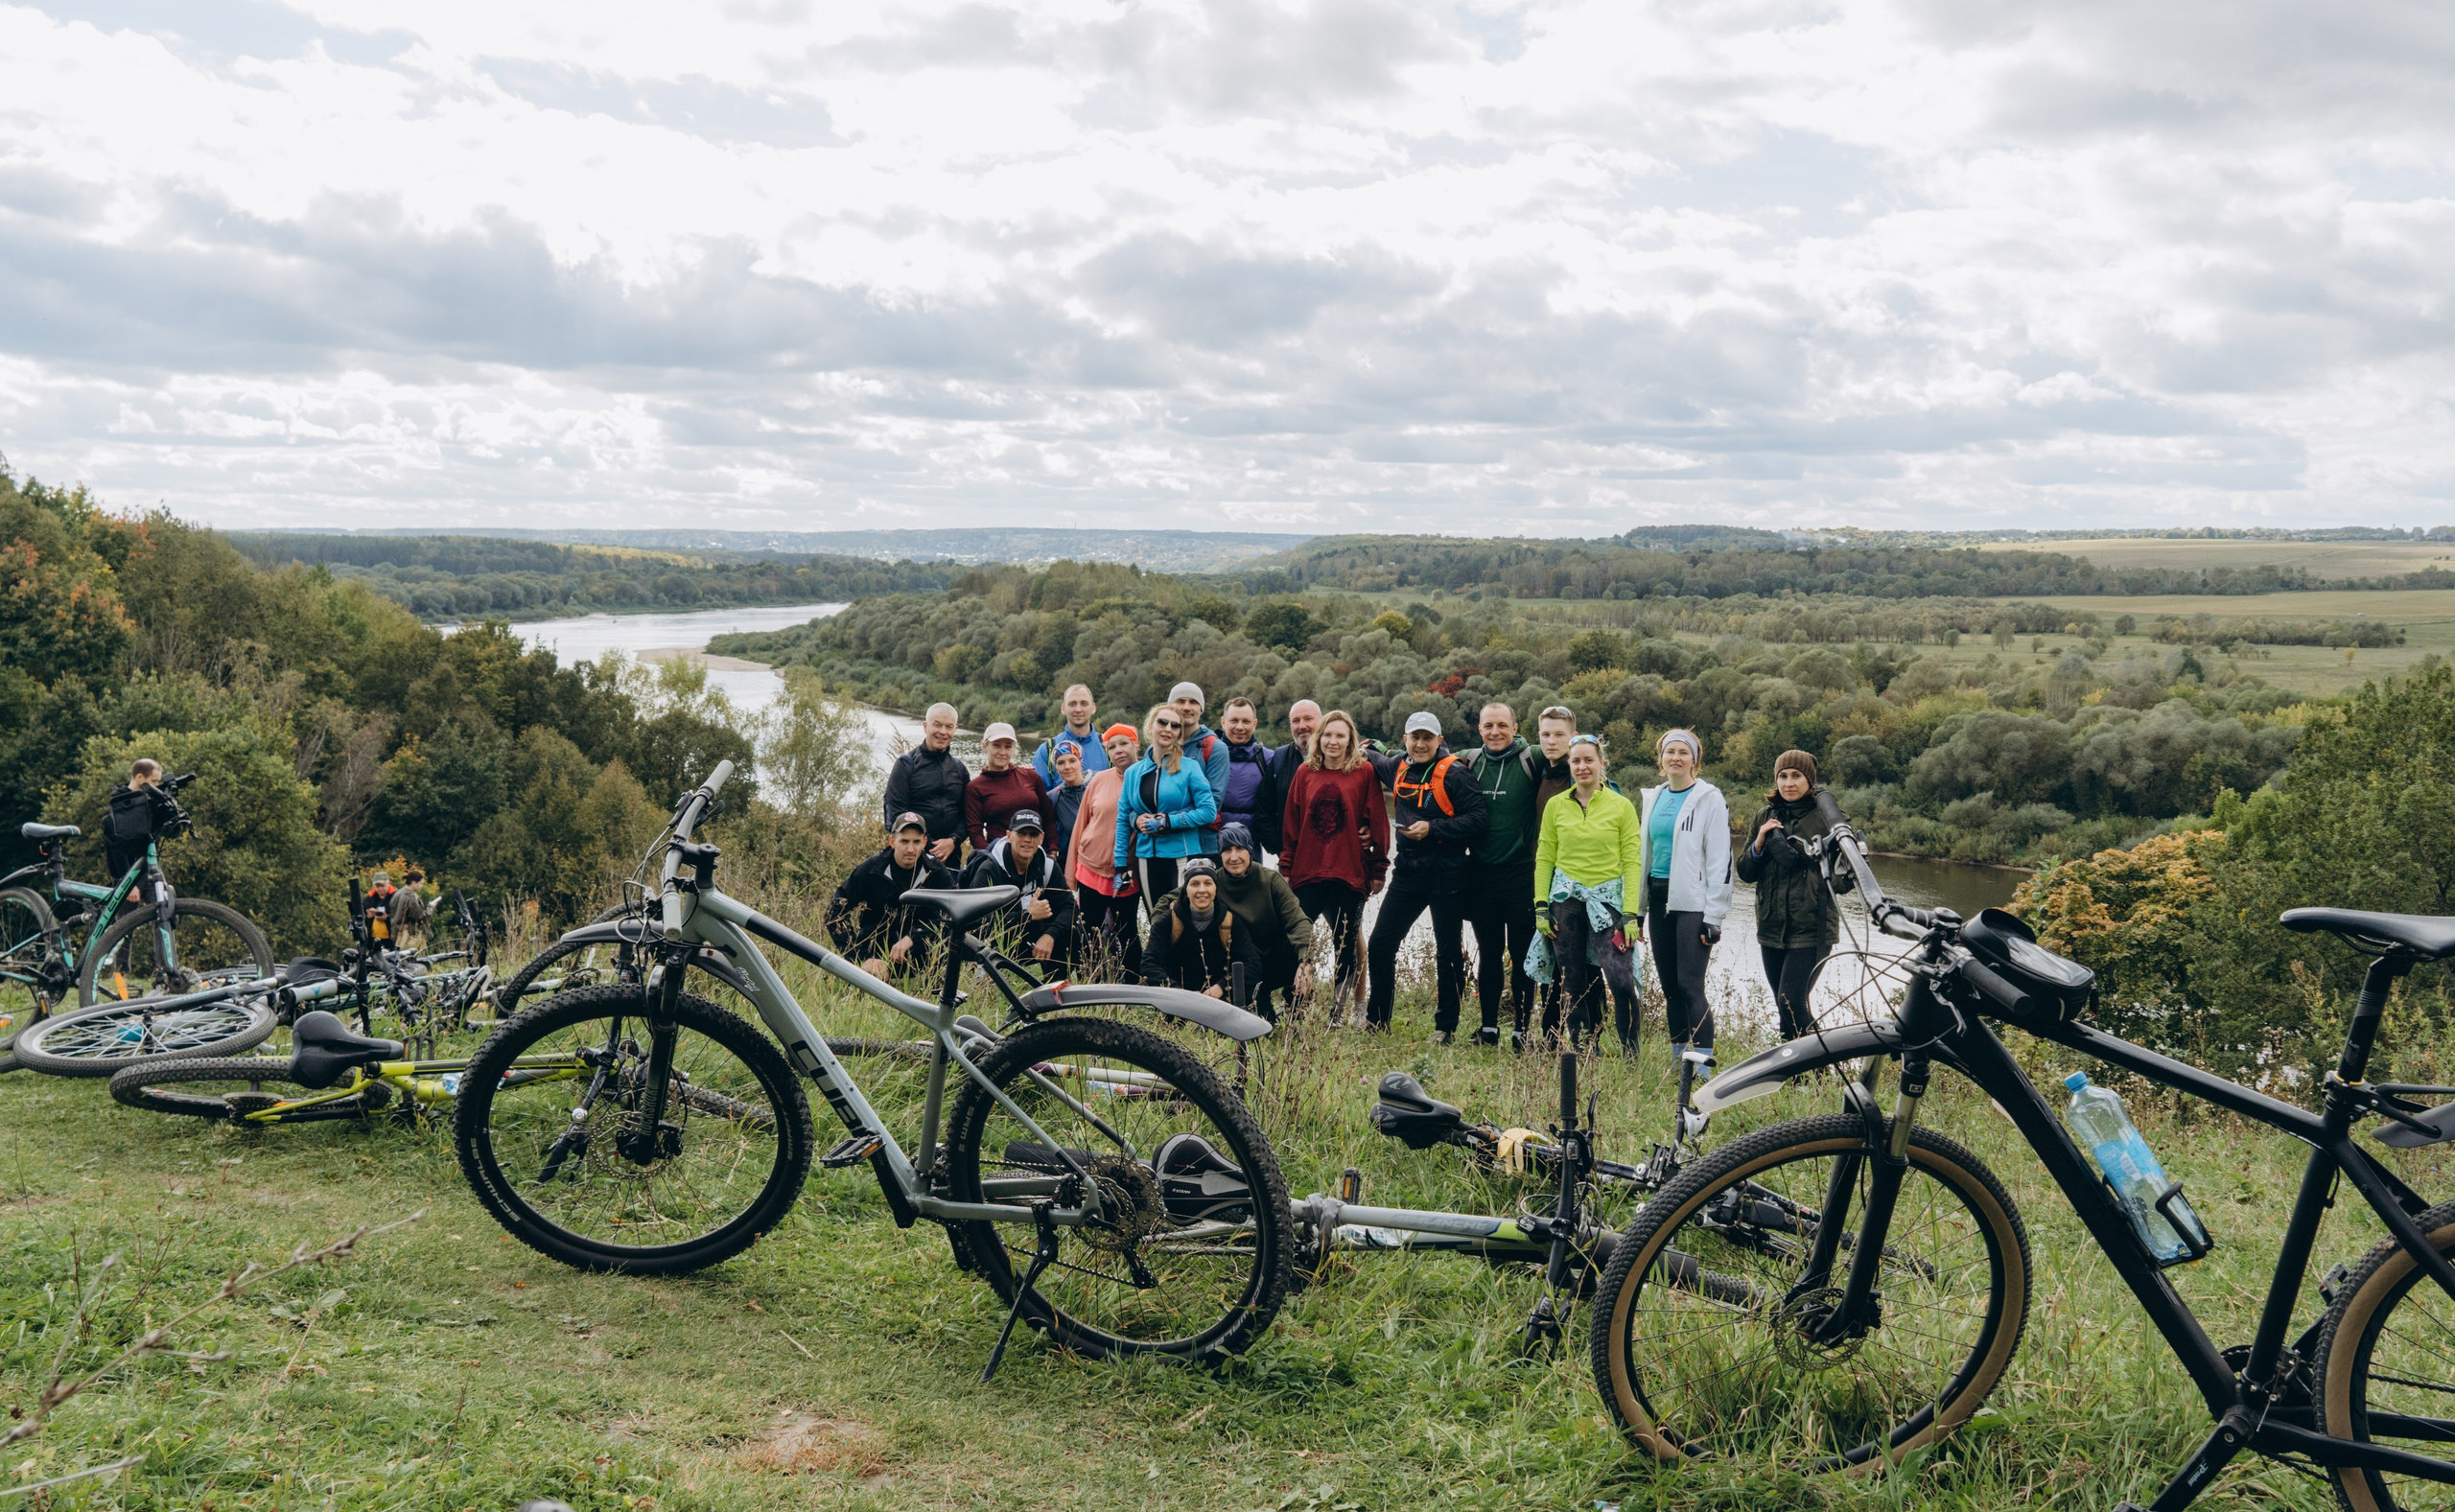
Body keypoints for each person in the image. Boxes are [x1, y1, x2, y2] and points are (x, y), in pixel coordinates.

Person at [1366, 712, 1487, 1040]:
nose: (1420, 745)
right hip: (1407, 872)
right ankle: (1377, 1021)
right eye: (1414, 738)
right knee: (1380, 945)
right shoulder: (1398, 766)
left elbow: (1478, 819)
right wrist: (1363, 747)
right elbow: (1375, 758)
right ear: (1405, 739)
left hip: (1448, 872)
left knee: (1447, 951)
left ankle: (1445, 1027)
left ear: (1439, 739)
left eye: (1427, 738)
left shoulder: (1456, 773)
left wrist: (1433, 828)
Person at [1531, 734, 1644, 1048]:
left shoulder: (1621, 806)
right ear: (1570, 764)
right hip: (1565, 901)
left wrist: (1631, 914)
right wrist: (1541, 906)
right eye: (1576, 761)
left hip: (1607, 902)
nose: (1582, 767)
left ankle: (1631, 1056)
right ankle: (1582, 1049)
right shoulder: (1556, 806)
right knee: (1572, 980)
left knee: (1621, 982)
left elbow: (1633, 862)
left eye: (1588, 760)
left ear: (1601, 763)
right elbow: (1545, 857)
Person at [1276, 709, 1387, 1016]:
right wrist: (1286, 867)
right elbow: (1292, 823)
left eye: (1340, 735)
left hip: (1348, 873)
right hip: (1307, 873)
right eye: (1327, 735)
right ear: (1318, 738)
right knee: (1294, 940)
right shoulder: (1305, 773)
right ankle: (1293, 1003)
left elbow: (1378, 821)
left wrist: (1378, 867)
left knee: (1346, 946)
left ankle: (1338, 1014)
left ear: (1351, 740)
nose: (1333, 741)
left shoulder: (1363, 773)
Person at [1737, 750, 1850, 1039]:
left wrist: (1822, 869)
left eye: (1796, 776)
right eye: (1783, 776)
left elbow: (1849, 878)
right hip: (1771, 926)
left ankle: (1819, 1070)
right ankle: (1797, 1078)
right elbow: (1746, 873)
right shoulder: (1765, 815)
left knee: (1790, 1003)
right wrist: (1759, 844)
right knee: (1782, 1005)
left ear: (1809, 780)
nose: (1789, 783)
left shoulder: (1829, 817)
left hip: (1812, 928)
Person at [1638, 728, 1731, 1058]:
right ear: (1661, 759)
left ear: (1695, 759)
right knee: (1670, 990)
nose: (1675, 758)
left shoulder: (1709, 798)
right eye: (1669, 752)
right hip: (1658, 897)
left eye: (1683, 752)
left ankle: (1703, 1065)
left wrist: (1714, 917)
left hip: (1692, 904)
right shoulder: (1655, 797)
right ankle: (1679, 1062)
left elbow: (1721, 859)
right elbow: (1643, 855)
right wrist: (1638, 910)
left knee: (1691, 987)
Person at [1463, 702, 1546, 1048]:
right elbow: (1422, 752)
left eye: (1501, 725)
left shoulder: (1532, 759)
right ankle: (1489, 1029)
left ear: (1515, 727)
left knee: (1523, 953)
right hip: (1481, 875)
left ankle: (1521, 1031)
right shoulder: (1468, 760)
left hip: (1521, 874)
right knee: (1489, 951)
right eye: (1487, 726)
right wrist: (1379, 750)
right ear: (1479, 729)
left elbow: (1572, 750)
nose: (1494, 732)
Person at [1114, 703, 1219, 930]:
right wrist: (1120, 866)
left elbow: (1209, 811)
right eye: (1162, 722)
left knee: (1187, 924)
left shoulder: (1190, 768)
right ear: (1151, 726)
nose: (1168, 729)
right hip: (1146, 860)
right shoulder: (1133, 772)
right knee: (1158, 923)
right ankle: (1161, 967)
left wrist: (1170, 821)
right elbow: (1123, 818)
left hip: (1182, 857)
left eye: (1175, 726)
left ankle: (1190, 967)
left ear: (1179, 733)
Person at [828, 812, 960, 980]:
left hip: (921, 953)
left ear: (924, 842)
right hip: (876, 953)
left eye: (916, 842)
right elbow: (834, 913)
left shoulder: (935, 871)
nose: (911, 849)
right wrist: (859, 959)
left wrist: (914, 936)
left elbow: (955, 914)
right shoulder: (872, 869)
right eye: (904, 841)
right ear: (892, 841)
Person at [1214, 823, 1314, 1022]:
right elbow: (1172, 899)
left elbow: (1299, 922)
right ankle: (1260, 1006)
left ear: (1250, 850)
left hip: (1276, 957)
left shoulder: (1270, 880)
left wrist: (1306, 963)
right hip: (1245, 966)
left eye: (1239, 849)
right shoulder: (1212, 882)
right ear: (1220, 854)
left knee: (1293, 945)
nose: (1234, 857)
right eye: (1227, 850)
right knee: (1264, 1023)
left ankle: (1294, 1006)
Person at [1068, 724, 1144, 980]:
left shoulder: (1147, 779)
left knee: (1127, 930)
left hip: (1127, 873)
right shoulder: (1099, 780)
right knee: (1089, 930)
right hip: (1090, 868)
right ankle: (1091, 981)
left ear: (1137, 746)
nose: (1118, 750)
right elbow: (1081, 826)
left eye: (1124, 743)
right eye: (1112, 746)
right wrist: (1071, 872)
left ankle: (1133, 985)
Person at [961, 809, 1076, 972]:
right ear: (1009, 836)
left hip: (1031, 938)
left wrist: (1051, 934)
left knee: (1074, 933)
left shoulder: (1048, 865)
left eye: (1033, 834)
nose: (1028, 840)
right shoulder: (989, 869)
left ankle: (1055, 989)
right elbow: (978, 923)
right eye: (1021, 833)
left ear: (1041, 838)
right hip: (994, 942)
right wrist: (1027, 916)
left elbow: (1070, 907)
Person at [1141, 858, 1259, 1000]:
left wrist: (1222, 986)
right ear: (1186, 889)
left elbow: (1253, 965)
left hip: (1221, 1004)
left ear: (1216, 889)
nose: (1202, 890)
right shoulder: (1168, 922)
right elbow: (1149, 964)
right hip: (1177, 1005)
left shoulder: (1231, 922)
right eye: (1195, 884)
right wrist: (1178, 991)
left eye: (1208, 883)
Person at [882, 703, 968, 865]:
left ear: (955, 730)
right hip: (913, 855)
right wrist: (926, 844)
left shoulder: (959, 769)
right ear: (925, 726)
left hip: (950, 855)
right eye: (937, 725)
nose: (943, 732)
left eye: (949, 727)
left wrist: (953, 841)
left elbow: (967, 814)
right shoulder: (906, 765)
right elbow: (895, 814)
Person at [964, 721, 1050, 853]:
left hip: (1035, 852)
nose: (1002, 752)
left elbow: (1048, 816)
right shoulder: (975, 788)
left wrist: (1053, 850)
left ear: (1014, 748)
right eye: (996, 746)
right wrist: (991, 858)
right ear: (984, 746)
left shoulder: (1031, 776)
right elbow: (975, 832)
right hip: (998, 854)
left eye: (1008, 746)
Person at [1169, 682, 1229, 854]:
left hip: (1203, 846)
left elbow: (1214, 801)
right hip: (1166, 844)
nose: (1187, 707)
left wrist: (1169, 819)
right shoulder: (1161, 746)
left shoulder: (1215, 748)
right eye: (1181, 701)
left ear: (1201, 709)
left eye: (1193, 702)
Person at [1255, 699, 1321, 859]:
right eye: (1296, 721)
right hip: (1291, 860)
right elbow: (1263, 808)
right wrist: (1278, 847)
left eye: (1308, 719)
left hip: (1333, 858)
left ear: (1322, 720)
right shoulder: (1280, 758)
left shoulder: (1338, 757)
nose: (1302, 725)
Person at [1216, 698, 1274, 841]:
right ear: (1223, 722)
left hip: (1251, 841)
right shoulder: (1210, 755)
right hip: (1212, 839)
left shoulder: (1268, 759)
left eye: (1246, 721)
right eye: (1234, 720)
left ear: (1254, 724)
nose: (1240, 727)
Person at [1033, 684, 1111, 785]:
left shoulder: (1108, 747)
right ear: (1063, 709)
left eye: (1084, 703)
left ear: (1093, 708)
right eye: (1072, 704)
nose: (1078, 709)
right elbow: (1039, 796)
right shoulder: (1047, 750)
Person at [1045, 742, 1088, 866]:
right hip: (1076, 861)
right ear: (1055, 767)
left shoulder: (1098, 783)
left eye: (1072, 760)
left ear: (1080, 762)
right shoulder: (1054, 797)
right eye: (1061, 763)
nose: (1067, 767)